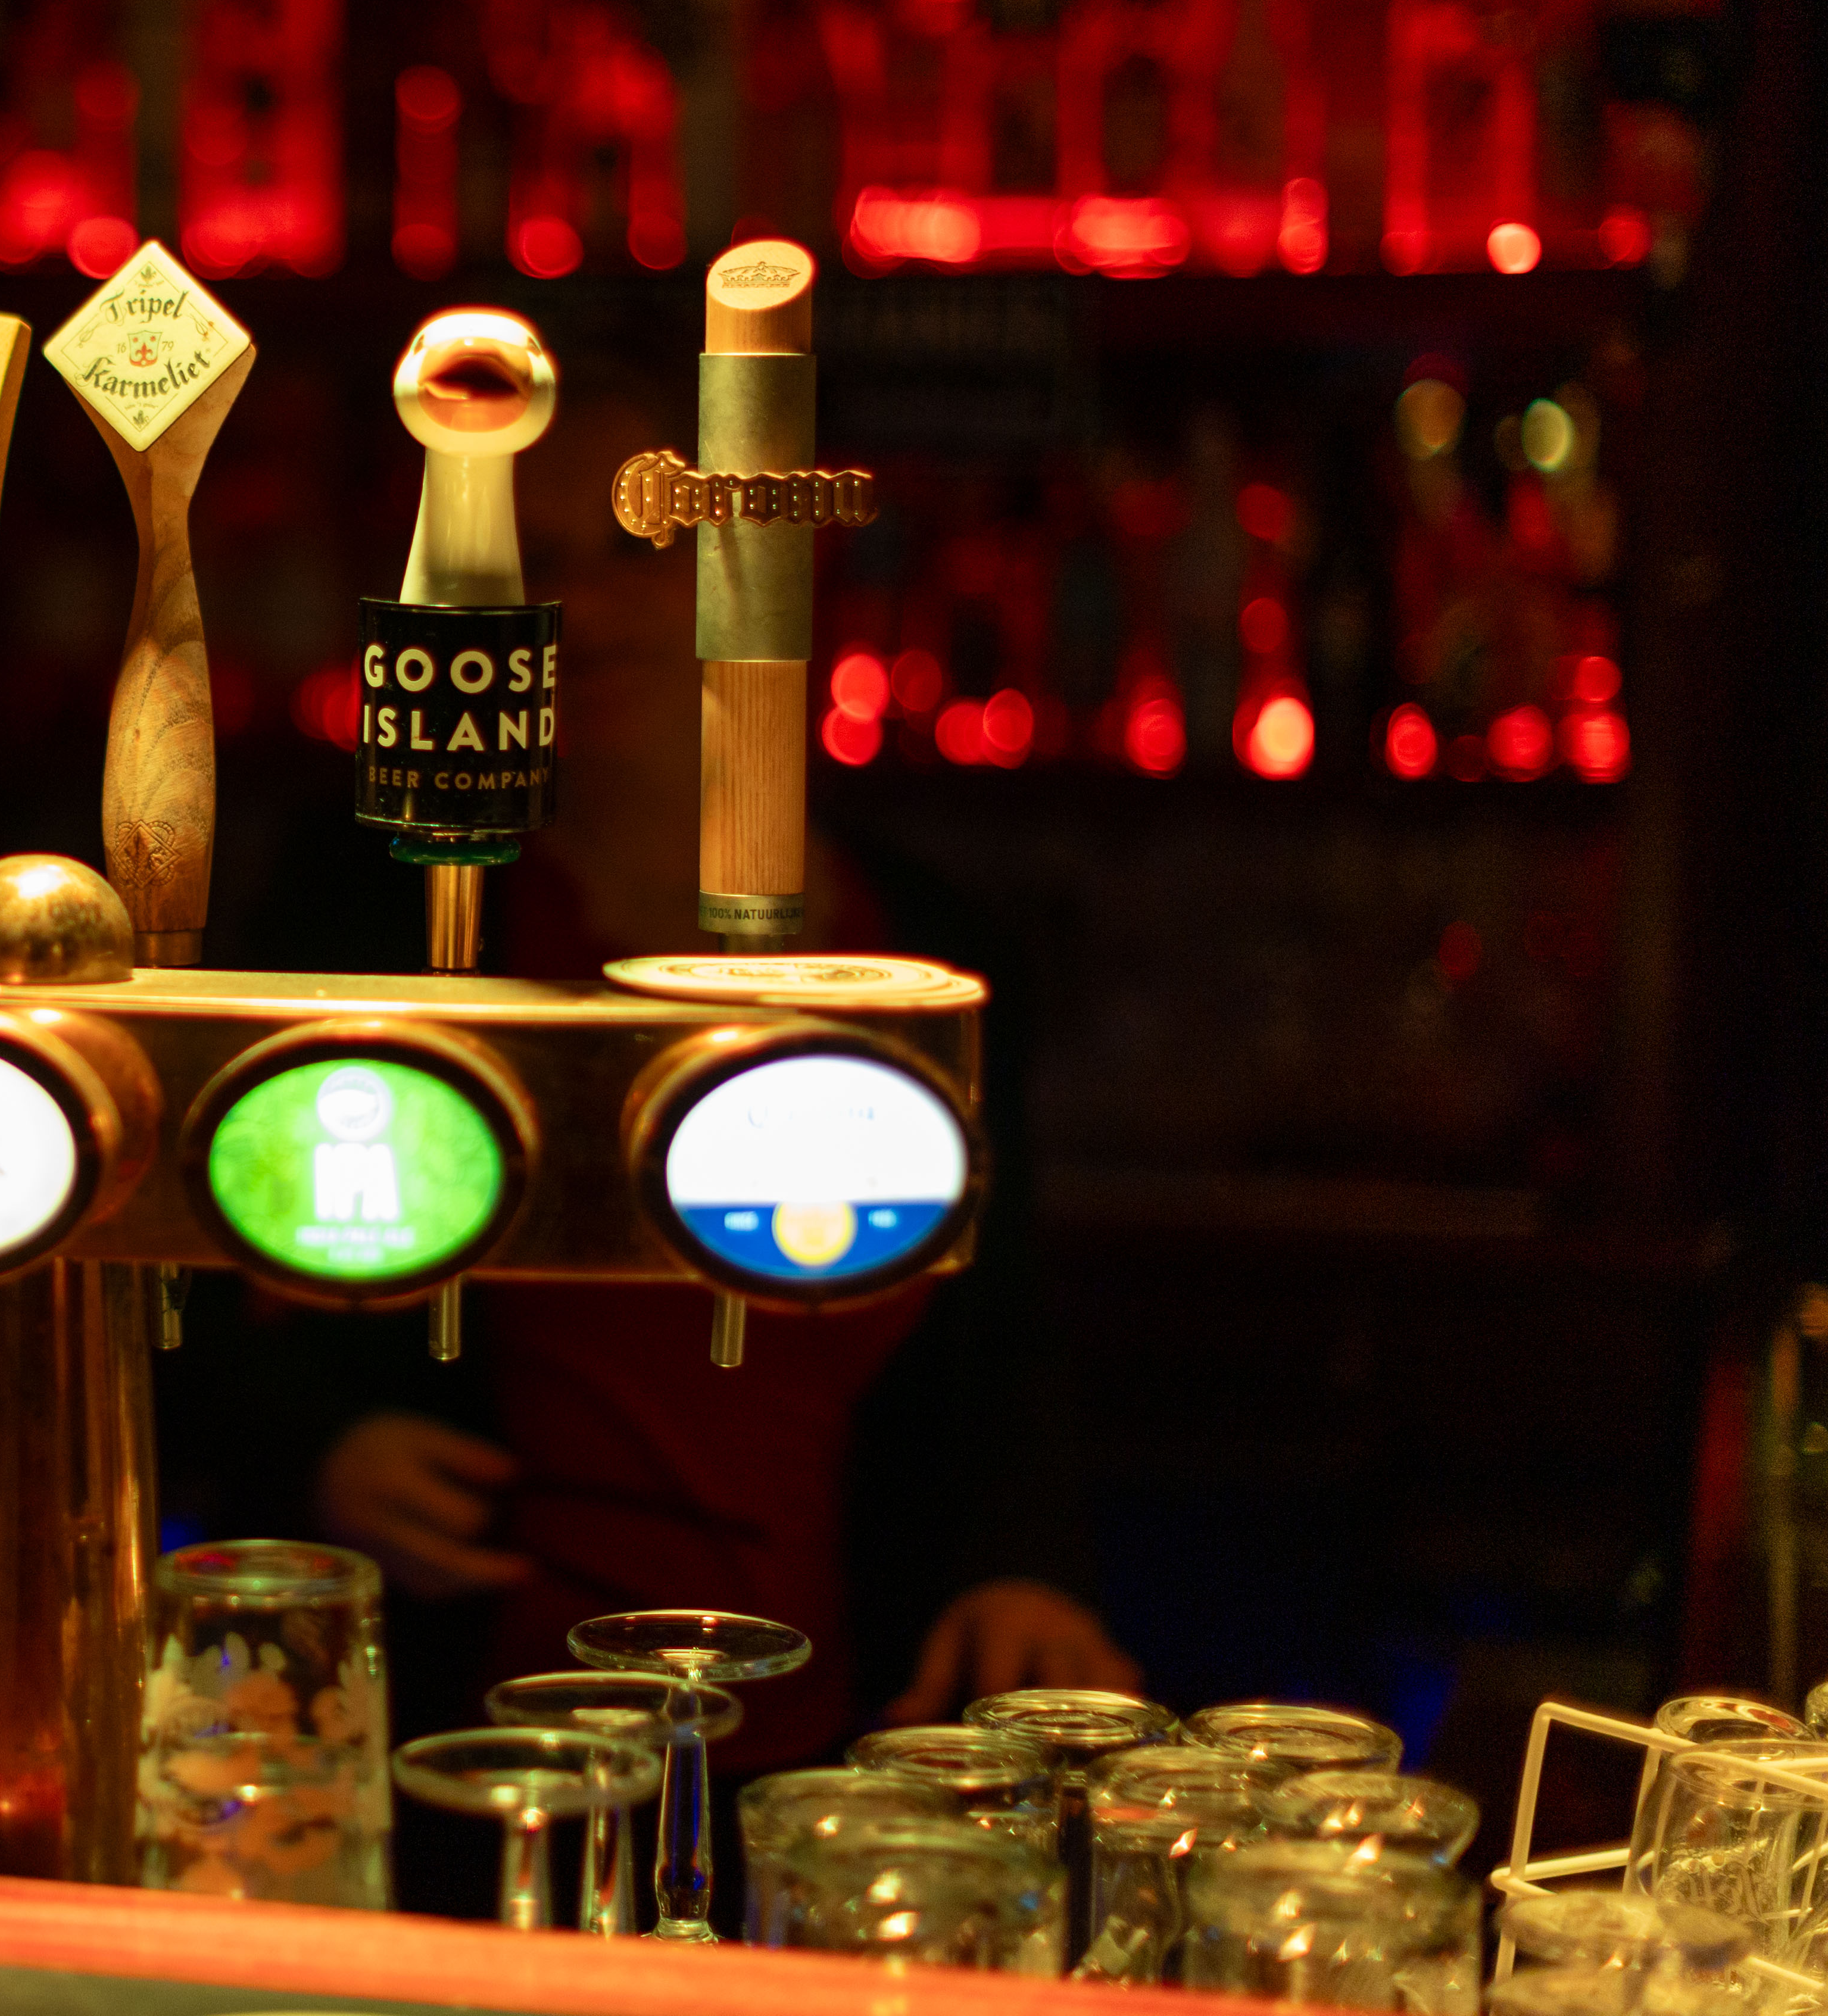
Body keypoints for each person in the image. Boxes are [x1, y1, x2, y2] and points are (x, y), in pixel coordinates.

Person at [194, 356, 1134, 1789]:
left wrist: (1023, 1570)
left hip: (848, 1746)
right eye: (534, 563)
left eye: (640, 551)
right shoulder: (371, 911)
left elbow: (998, 1327)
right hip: (458, 1738)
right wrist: (322, 1446)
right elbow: (206, 1263)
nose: (588, 606)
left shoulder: (927, 945)